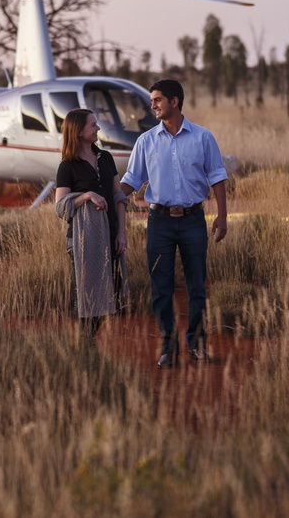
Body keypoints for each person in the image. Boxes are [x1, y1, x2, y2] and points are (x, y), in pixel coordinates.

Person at [120, 79, 228, 368]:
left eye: (157, 100)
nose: (152, 105)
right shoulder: (146, 141)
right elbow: (132, 180)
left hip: (194, 220)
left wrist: (222, 216)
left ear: (175, 102)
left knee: (197, 286)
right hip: (159, 223)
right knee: (161, 287)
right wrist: (107, 196)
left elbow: (217, 176)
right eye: (153, 100)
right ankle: (169, 348)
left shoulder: (203, 138)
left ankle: (196, 344)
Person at [55, 109, 128, 340]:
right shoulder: (67, 166)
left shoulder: (105, 158)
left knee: (112, 293)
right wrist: (87, 196)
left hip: (111, 234)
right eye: (93, 125)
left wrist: (122, 233)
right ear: (78, 132)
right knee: (88, 294)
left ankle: (88, 343)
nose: (97, 128)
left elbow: (118, 196)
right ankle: (84, 346)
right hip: (82, 239)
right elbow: (60, 207)